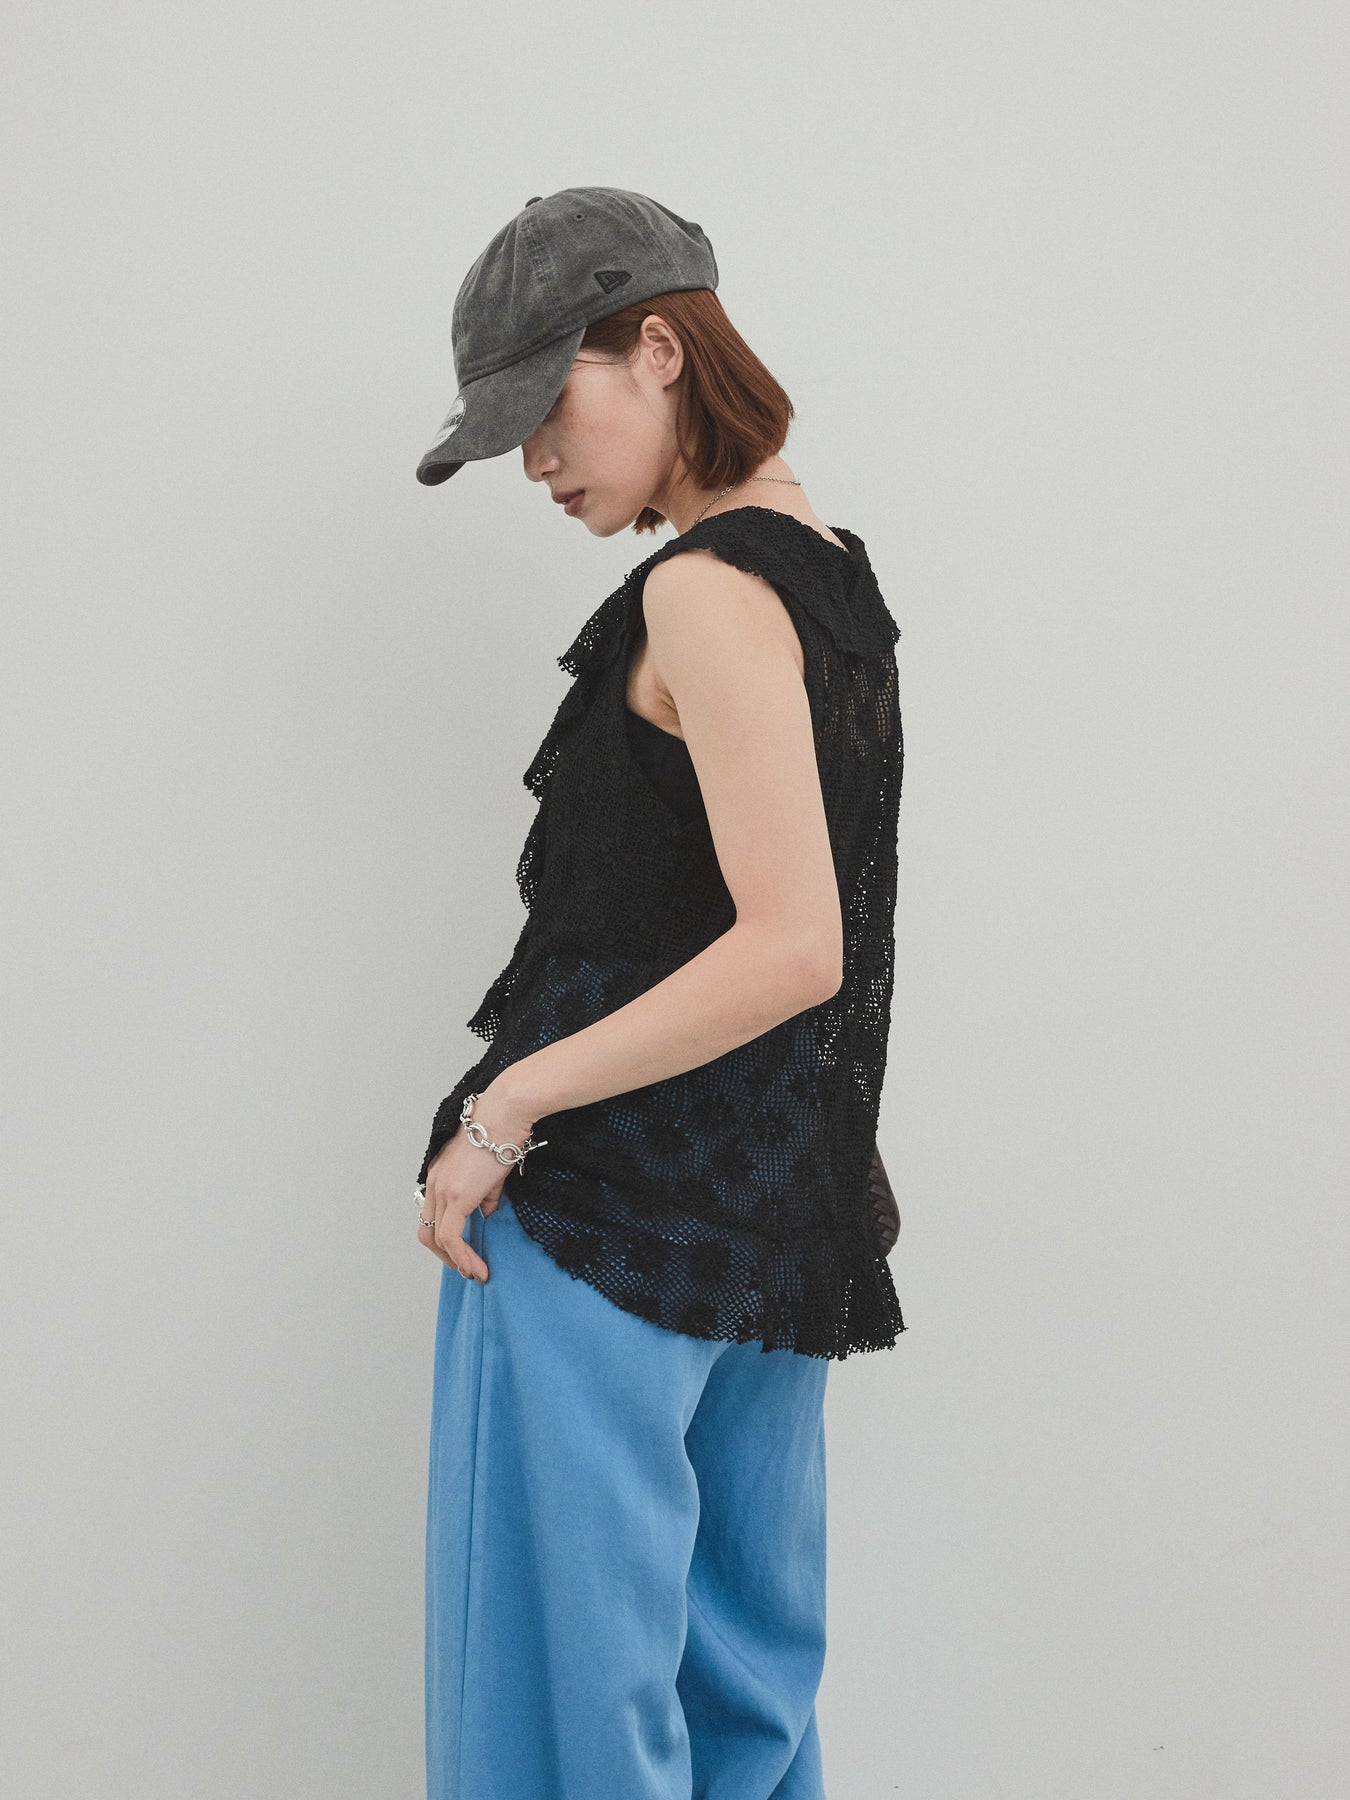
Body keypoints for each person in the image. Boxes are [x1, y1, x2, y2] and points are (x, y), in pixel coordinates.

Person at [411, 187, 906, 1800]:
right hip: (769, 1223)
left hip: (607, 1226)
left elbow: (793, 946)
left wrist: (502, 1109)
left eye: (543, 408)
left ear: (657, 349)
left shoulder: (699, 588)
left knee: (561, 1703)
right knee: (744, 1695)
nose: (535, 464)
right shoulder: (832, 580)